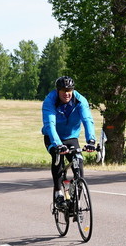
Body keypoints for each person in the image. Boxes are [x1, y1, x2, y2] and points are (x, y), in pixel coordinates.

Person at [41, 76, 97, 208]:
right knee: (58, 159)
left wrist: (91, 140)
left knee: (78, 161)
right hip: (52, 137)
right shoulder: (50, 101)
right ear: (58, 91)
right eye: (63, 91)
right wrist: (58, 144)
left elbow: (87, 120)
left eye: (69, 90)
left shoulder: (80, 100)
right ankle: (58, 193)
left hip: (71, 136)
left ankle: (75, 199)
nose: (66, 93)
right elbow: (50, 124)